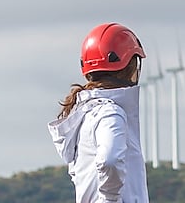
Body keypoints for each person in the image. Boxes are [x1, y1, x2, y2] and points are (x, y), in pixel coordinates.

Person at [49, 22, 149, 203]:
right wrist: (110, 199)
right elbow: (110, 160)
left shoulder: (84, 114)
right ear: (131, 67)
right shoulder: (110, 114)